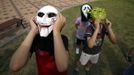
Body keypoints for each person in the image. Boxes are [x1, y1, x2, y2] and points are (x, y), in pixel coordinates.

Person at [9, 5, 69, 75]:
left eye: (51, 15)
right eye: (41, 15)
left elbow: (62, 67)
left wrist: (56, 31)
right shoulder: (36, 39)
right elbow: (14, 66)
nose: (44, 19)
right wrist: (33, 30)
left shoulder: (62, 39)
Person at [74, 4, 92, 75]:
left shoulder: (90, 22)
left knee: (84, 45)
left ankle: (82, 50)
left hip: (85, 37)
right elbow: (76, 24)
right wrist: (77, 28)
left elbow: (90, 28)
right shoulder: (79, 19)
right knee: (78, 45)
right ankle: (77, 49)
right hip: (79, 36)